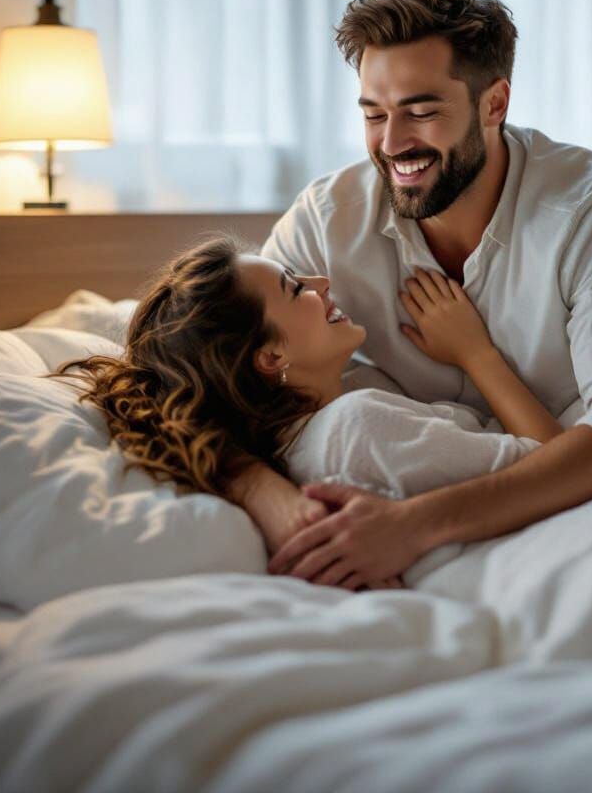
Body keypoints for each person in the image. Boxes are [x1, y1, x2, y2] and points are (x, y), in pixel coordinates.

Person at [253, 0, 592, 588]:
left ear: (495, 104)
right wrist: (272, 503)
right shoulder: (327, 220)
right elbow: (201, 379)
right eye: (374, 114)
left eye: (421, 112)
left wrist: (414, 525)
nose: (392, 143)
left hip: (558, 512)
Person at [54, 234, 564, 588]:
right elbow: (557, 467)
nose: (321, 281)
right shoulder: (357, 426)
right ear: (271, 357)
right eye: (295, 288)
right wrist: (478, 354)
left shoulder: (308, 438)